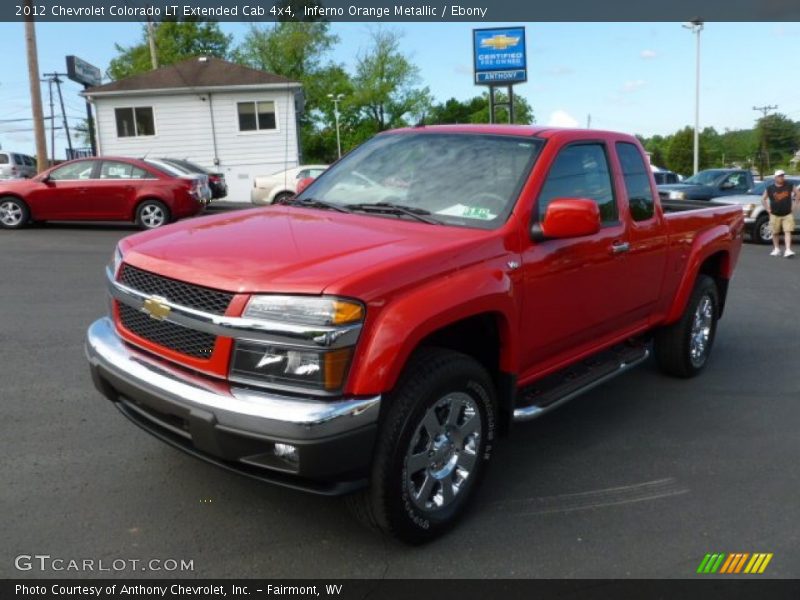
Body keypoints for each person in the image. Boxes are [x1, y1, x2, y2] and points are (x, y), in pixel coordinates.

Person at [762, 170, 798, 257]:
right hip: (774, 214)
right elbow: (763, 199)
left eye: (782, 176)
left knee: (788, 231)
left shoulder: (789, 185)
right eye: (779, 176)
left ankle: (788, 250)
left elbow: (797, 193)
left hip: (787, 214)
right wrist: (768, 210)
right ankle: (776, 249)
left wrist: (795, 205)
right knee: (775, 232)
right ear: (775, 178)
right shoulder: (770, 188)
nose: (781, 177)